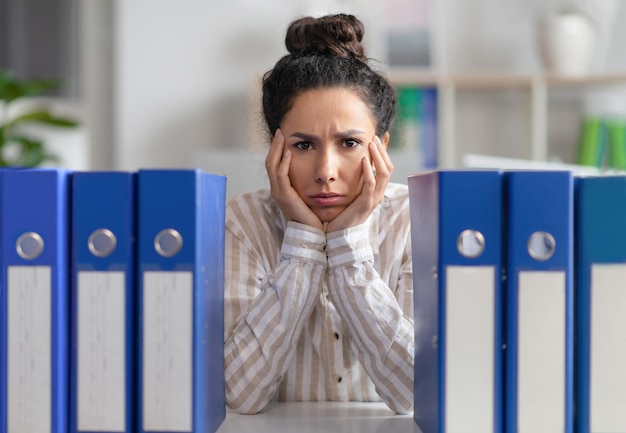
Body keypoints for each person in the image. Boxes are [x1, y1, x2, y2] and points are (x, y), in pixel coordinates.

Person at [223, 13, 414, 415]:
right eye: (304, 146)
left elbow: (416, 394)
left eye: (349, 142)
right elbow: (239, 394)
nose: (326, 171)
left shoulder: (414, 220)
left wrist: (348, 245)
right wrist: (302, 244)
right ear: (274, 149)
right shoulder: (243, 221)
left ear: (381, 147)